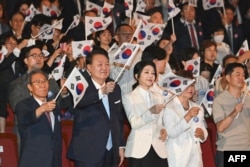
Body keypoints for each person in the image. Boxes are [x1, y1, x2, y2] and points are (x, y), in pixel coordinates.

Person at [67, 47, 125, 167]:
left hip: (110, 150)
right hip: (88, 151)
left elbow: (118, 119)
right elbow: (76, 105)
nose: (104, 68)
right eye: (99, 64)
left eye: (107, 64)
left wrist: (119, 145)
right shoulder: (81, 86)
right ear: (89, 67)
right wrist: (101, 92)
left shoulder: (115, 87)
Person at [122, 61, 168, 167]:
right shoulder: (128, 97)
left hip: (158, 147)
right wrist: (151, 111)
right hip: (139, 148)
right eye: (146, 72)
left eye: (153, 73)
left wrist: (163, 130)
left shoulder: (159, 97)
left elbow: (160, 122)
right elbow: (134, 123)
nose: (150, 76)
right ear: (137, 76)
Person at [15, 69, 62, 167]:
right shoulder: (23, 105)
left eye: (45, 81)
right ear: (30, 87)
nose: (42, 85)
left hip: (54, 159)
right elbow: (24, 120)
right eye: (38, 82)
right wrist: (41, 109)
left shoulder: (54, 105)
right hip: (33, 159)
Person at [163, 70, 208, 167]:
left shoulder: (197, 107)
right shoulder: (169, 107)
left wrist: (202, 134)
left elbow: (203, 129)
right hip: (178, 156)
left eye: (192, 85)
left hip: (195, 156)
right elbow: (171, 133)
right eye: (187, 85)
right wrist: (188, 116)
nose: (191, 88)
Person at [213, 62, 250, 167]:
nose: (241, 78)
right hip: (228, 148)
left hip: (246, 148)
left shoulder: (247, 99)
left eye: (243, 75)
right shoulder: (219, 100)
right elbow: (220, 128)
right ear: (228, 78)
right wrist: (234, 113)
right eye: (237, 75)